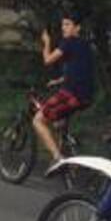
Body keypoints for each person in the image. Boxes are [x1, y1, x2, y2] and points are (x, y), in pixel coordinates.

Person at [32, 11, 95, 168]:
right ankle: (66, 152)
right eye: (63, 24)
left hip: (71, 94)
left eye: (67, 24)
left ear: (77, 28)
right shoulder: (85, 44)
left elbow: (47, 60)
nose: (63, 28)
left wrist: (46, 42)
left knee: (38, 120)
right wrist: (59, 80)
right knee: (58, 121)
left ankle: (58, 158)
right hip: (85, 96)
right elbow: (80, 70)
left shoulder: (68, 42)